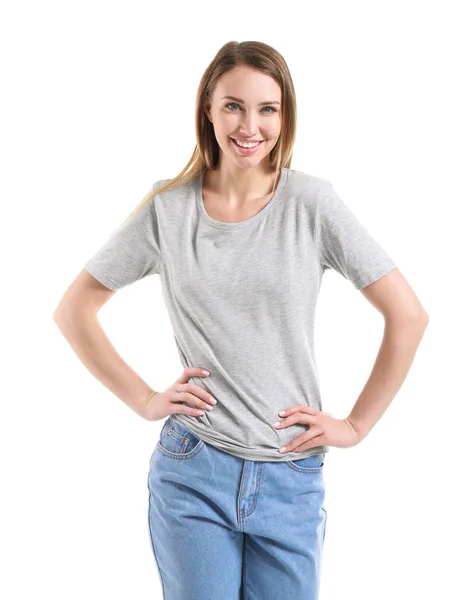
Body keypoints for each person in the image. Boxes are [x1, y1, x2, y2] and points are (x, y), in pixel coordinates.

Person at [53, 40, 429, 600]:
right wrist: (144, 399)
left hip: (289, 474)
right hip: (192, 470)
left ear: (285, 115)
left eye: (267, 109)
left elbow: (408, 315)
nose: (249, 125)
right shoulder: (168, 208)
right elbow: (74, 309)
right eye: (233, 105)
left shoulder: (312, 204)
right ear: (208, 107)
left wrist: (355, 426)